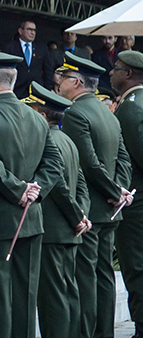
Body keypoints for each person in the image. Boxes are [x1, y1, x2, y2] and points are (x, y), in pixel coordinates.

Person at [0, 47, 63, 338]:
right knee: (25, 302)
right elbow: (54, 163)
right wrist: (34, 190)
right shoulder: (36, 117)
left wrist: (19, 189)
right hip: (31, 219)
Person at [56, 51, 132, 338]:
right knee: (104, 276)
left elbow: (87, 164)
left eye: (64, 77)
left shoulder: (76, 113)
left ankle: (87, 333)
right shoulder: (106, 113)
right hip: (110, 209)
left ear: (77, 82)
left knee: (86, 277)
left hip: (91, 209)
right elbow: (123, 160)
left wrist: (113, 191)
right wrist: (119, 190)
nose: (60, 82)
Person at [23, 81, 90, 338]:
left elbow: (58, 185)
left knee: (53, 299)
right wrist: (81, 214)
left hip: (53, 229)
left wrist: (76, 217)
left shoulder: (46, 141)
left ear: (41, 116)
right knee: (68, 292)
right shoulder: (67, 140)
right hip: (70, 229)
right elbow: (81, 184)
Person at [111, 50, 143, 338]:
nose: (112, 72)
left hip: (137, 203)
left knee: (136, 265)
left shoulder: (131, 108)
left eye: (117, 68)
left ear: (129, 74)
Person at [3, 20, 53, 98]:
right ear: (20, 31)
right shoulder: (10, 47)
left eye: (34, 30)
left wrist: (47, 89)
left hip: (36, 93)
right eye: (29, 29)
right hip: (16, 92)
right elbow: (5, 70)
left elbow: (48, 70)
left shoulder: (42, 48)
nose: (32, 33)